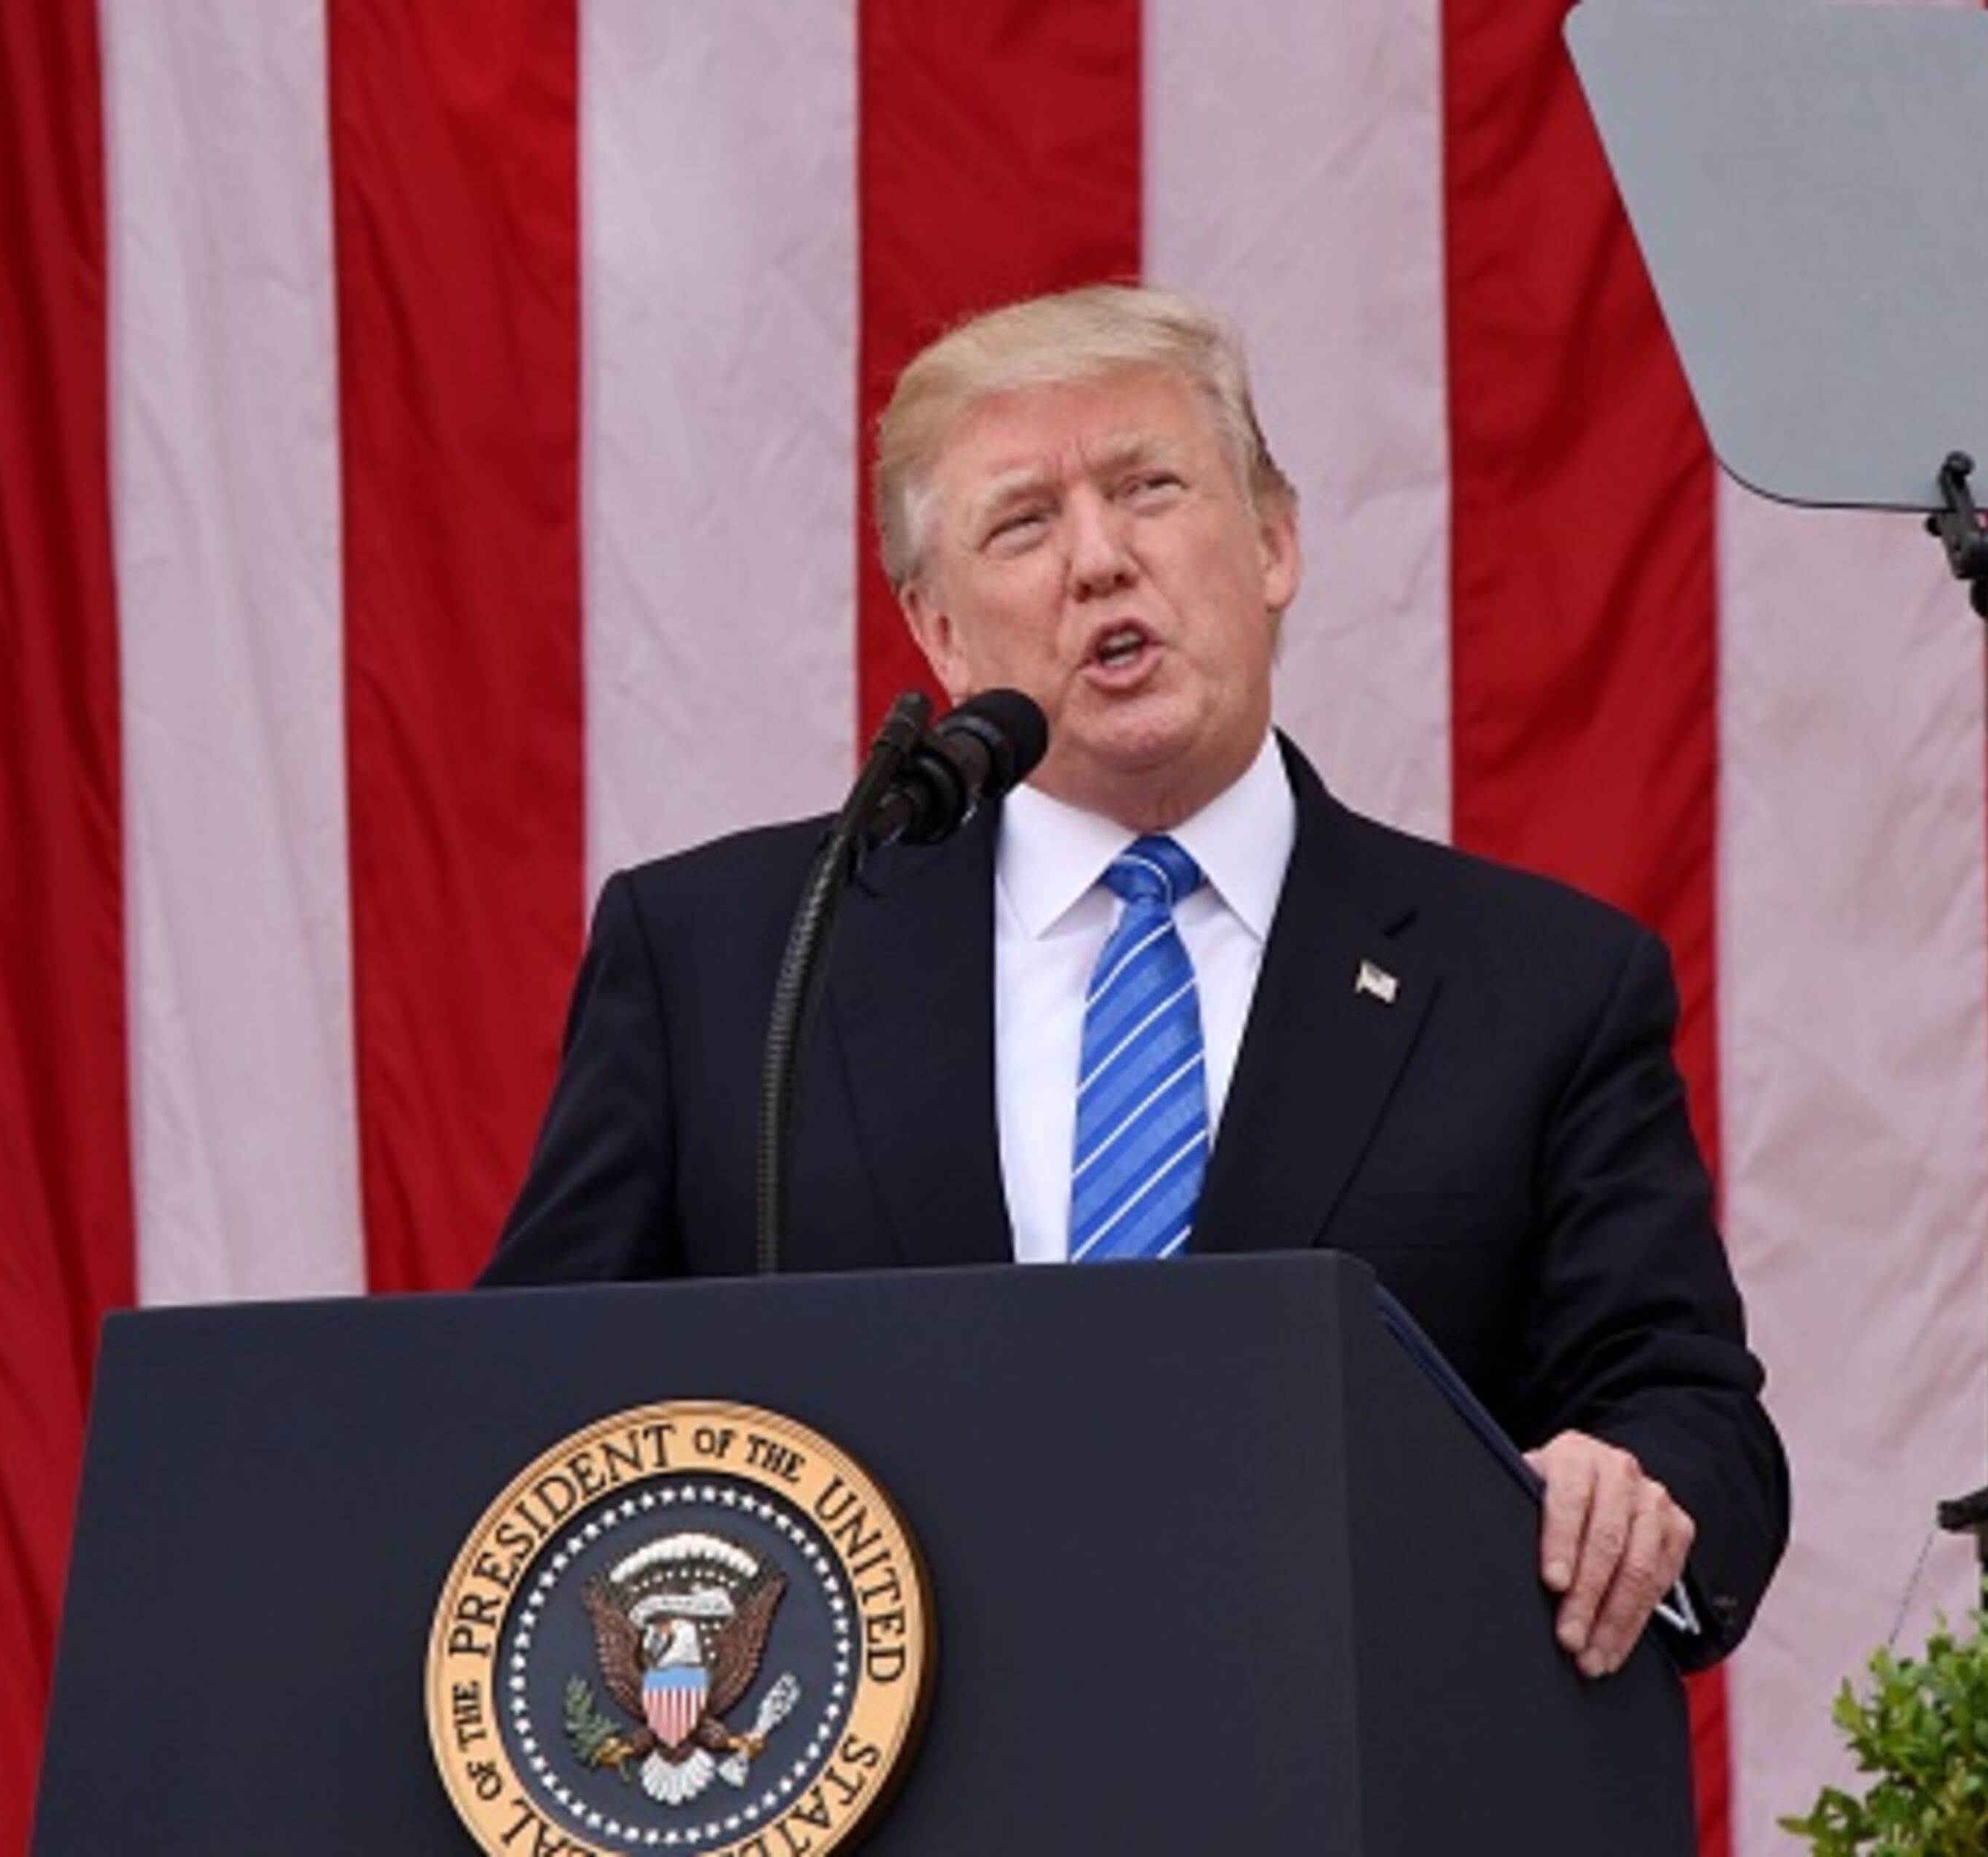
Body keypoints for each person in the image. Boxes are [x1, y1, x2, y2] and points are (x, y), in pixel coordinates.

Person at [481, 284, 1788, 1676]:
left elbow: (1686, 1412)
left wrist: (1632, 1486)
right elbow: (521, 1406)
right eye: (1024, 522)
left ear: (1275, 543)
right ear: (938, 632)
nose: (1099, 561)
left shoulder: (1541, 985)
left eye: (1148, 487)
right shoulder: (730, 957)